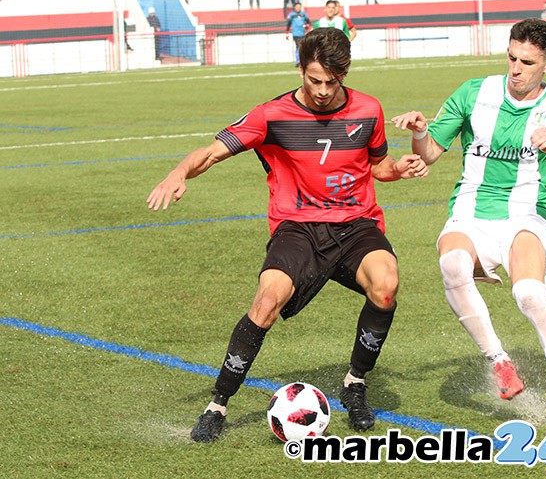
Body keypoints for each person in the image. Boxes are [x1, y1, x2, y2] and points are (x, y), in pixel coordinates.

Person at [147, 27, 428, 443]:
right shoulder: (271, 115)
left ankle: (354, 384)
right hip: (297, 227)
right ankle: (217, 404)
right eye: (314, 80)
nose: (322, 90)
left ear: (344, 74)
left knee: (386, 285)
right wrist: (179, 171)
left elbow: (379, 167)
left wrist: (400, 169)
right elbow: (211, 152)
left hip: (355, 224)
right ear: (301, 69)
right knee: (267, 300)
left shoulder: (369, 110)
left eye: (332, 82)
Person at [391, 18, 546, 423]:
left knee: (530, 296)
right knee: (451, 263)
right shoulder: (474, 92)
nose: (516, 69)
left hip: (528, 215)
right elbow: (429, 153)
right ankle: (499, 361)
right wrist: (419, 131)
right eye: (511, 58)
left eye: (528, 62)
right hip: (471, 210)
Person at [286, 2, 311, 66]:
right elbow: (288, 24)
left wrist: (308, 27)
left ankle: (302, 60)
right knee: (298, 46)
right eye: (297, 7)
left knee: (302, 46)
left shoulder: (303, 14)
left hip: (303, 33)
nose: (298, 8)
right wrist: (287, 32)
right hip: (296, 33)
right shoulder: (292, 15)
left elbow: (308, 22)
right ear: (294, 7)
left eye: (299, 7)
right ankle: (298, 61)